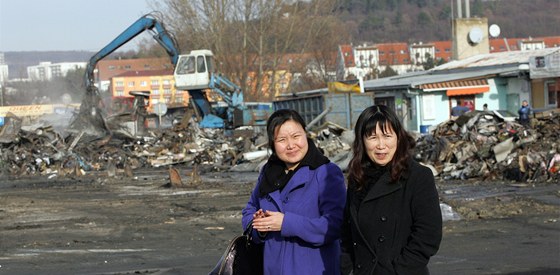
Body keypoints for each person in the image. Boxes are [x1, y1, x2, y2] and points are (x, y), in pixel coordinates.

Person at [241, 109, 346, 275]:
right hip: (272, 268)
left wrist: (286, 223)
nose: (291, 145)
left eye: (296, 136)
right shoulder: (268, 172)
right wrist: (260, 227)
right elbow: (249, 211)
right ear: (272, 144)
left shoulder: (326, 173)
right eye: (282, 140)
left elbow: (334, 225)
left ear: (305, 134)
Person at [340, 105, 442, 275]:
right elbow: (348, 233)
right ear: (362, 141)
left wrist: (399, 269)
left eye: (387, 136)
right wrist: (345, 268)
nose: (381, 145)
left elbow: (428, 236)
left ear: (398, 138)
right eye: (372, 137)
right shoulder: (357, 178)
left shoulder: (418, 177)